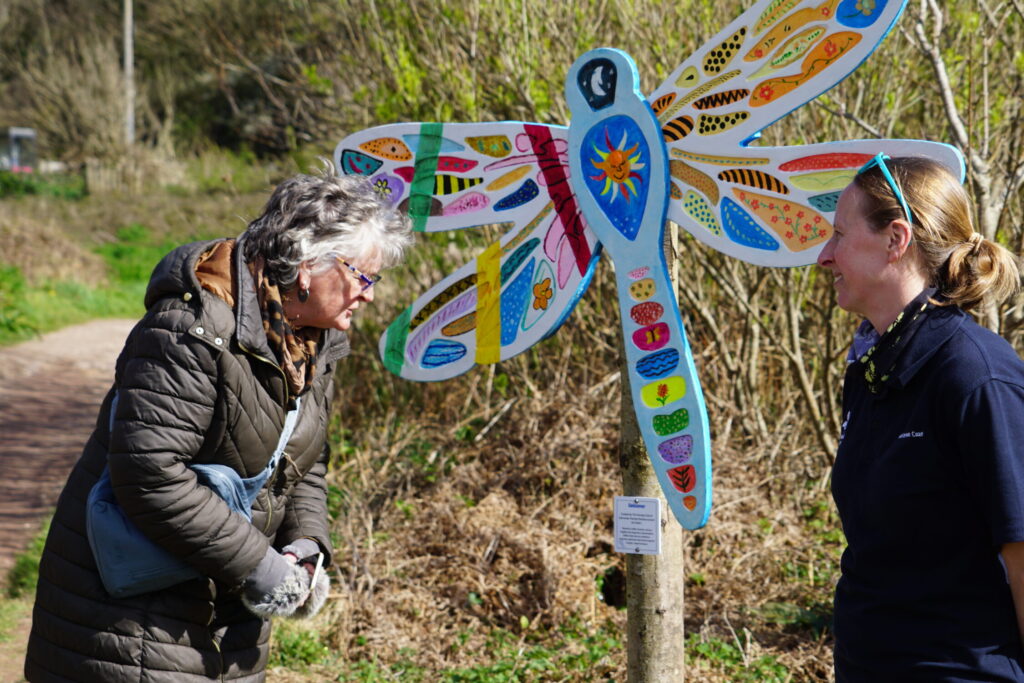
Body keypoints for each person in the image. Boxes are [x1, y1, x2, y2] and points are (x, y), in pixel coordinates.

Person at [24, 167, 412, 682]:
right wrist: (260, 566)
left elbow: (304, 462)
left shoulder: (313, 342)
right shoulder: (190, 329)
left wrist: (305, 546)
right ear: (306, 265)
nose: (368, 295)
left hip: (228, 617)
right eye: (362, 276)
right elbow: (150, 475)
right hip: (130, 617)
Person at [817, 154, 1024, 680]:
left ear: (895, 239)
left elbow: (1021, 550)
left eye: (839, 235)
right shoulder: (869, 370)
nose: (824, 256)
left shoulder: (976, 375)